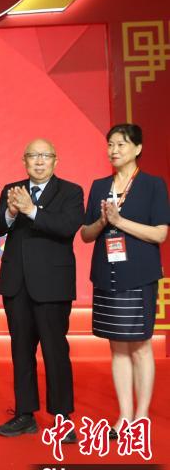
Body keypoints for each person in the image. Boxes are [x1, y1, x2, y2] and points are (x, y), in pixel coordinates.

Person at [0, 139, 83, 443]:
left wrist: (31, 210)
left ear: (55, 161)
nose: (39, 161)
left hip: (53, 285)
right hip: (16, 284)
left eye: (45, 156)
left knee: (55, 351)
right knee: (21, 351)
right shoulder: (13, 189)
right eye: (33, 156)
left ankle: (62, 418)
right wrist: (11, 212)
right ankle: (25, 414)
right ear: (24, 161)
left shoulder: (70, 191)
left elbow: (67, 227)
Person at [80, 124, 169, 438]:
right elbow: (86, 234)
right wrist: (103, 221)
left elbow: (160, 234)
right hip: (107, 275)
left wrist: (120, 221)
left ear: (138, 148)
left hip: (139, 276)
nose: (114, 150)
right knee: (117, 348)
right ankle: (125, 416)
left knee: (141, 347)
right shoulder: (99, 186)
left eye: (121, 144)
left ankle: (141, 417)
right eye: (110, 144)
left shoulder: (153, 185)